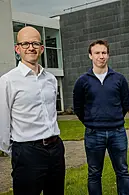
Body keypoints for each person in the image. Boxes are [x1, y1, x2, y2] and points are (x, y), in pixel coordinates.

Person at [0, 26, 65, 195]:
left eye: (35, 43)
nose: (31, 47)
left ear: (42, 48)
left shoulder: (50, 79)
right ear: (17, 48)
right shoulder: (8, 81)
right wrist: (15, 151)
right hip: (27, 152)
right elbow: (3, 121)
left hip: (56, 149)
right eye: (26, 43)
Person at [73, 40, 129, 195]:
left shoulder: (119, 79)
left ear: (108, 55)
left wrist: (114, 118)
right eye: (97, 53)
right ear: (90, 56)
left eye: (104, 52)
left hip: (117, 132)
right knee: (94, 173)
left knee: (123, 171)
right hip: (93, 134)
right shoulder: (82, 81)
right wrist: (92, 121)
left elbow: (125, 104)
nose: (101, 56)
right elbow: (78, 107)